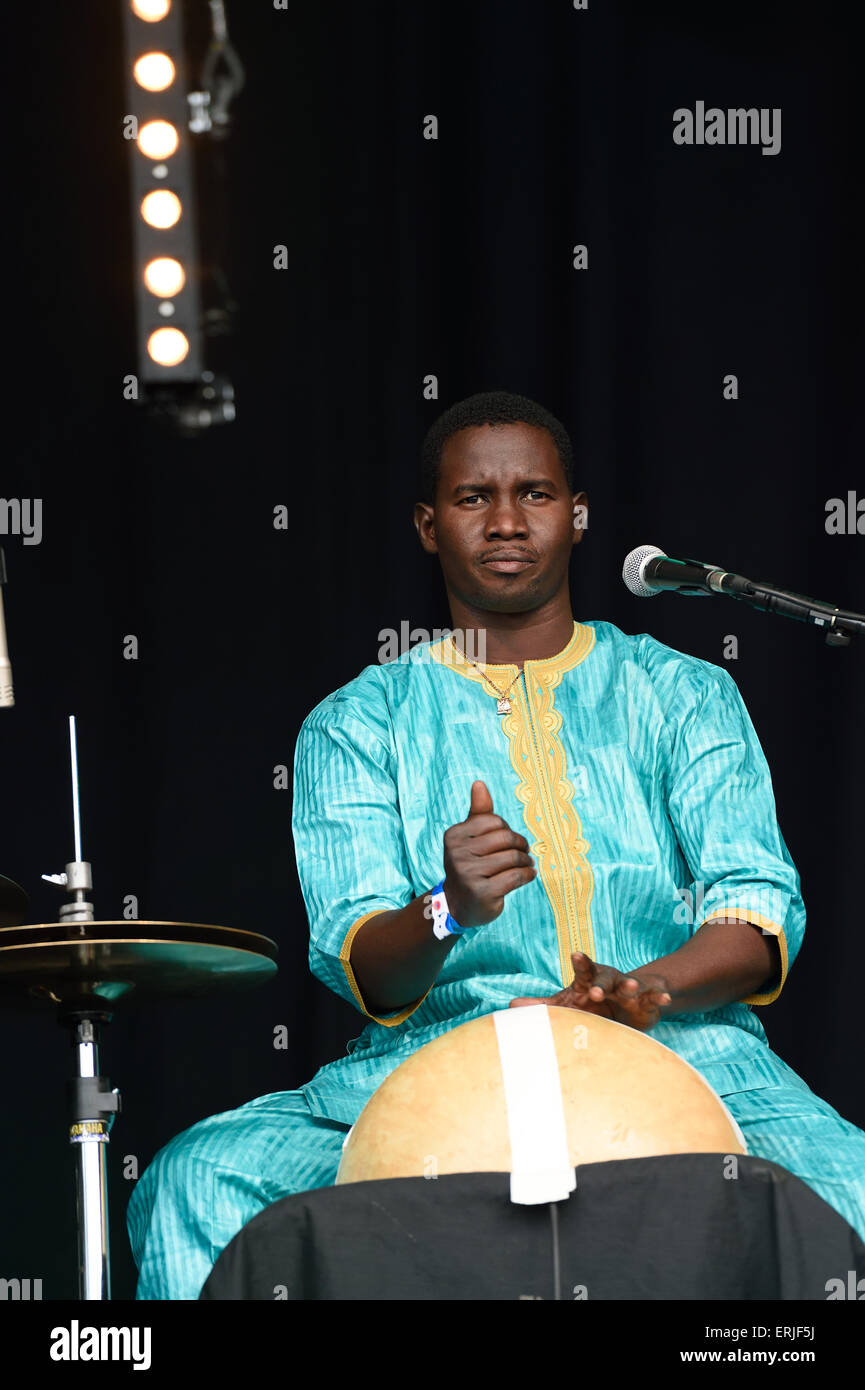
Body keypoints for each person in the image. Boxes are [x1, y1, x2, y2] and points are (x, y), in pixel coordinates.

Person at [127, 390, 865, 1299]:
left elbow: (754, 910)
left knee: (853, 1192)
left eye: (535, 494)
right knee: (197, 1178)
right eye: (474, 499)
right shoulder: (359, 722)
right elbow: (359, 956)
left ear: (578, 515)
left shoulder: (682, 692)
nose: (507, 520)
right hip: (442, 1060)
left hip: (688, 1046)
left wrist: (644, 988)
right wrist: (448, 908)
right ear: (429, 525)